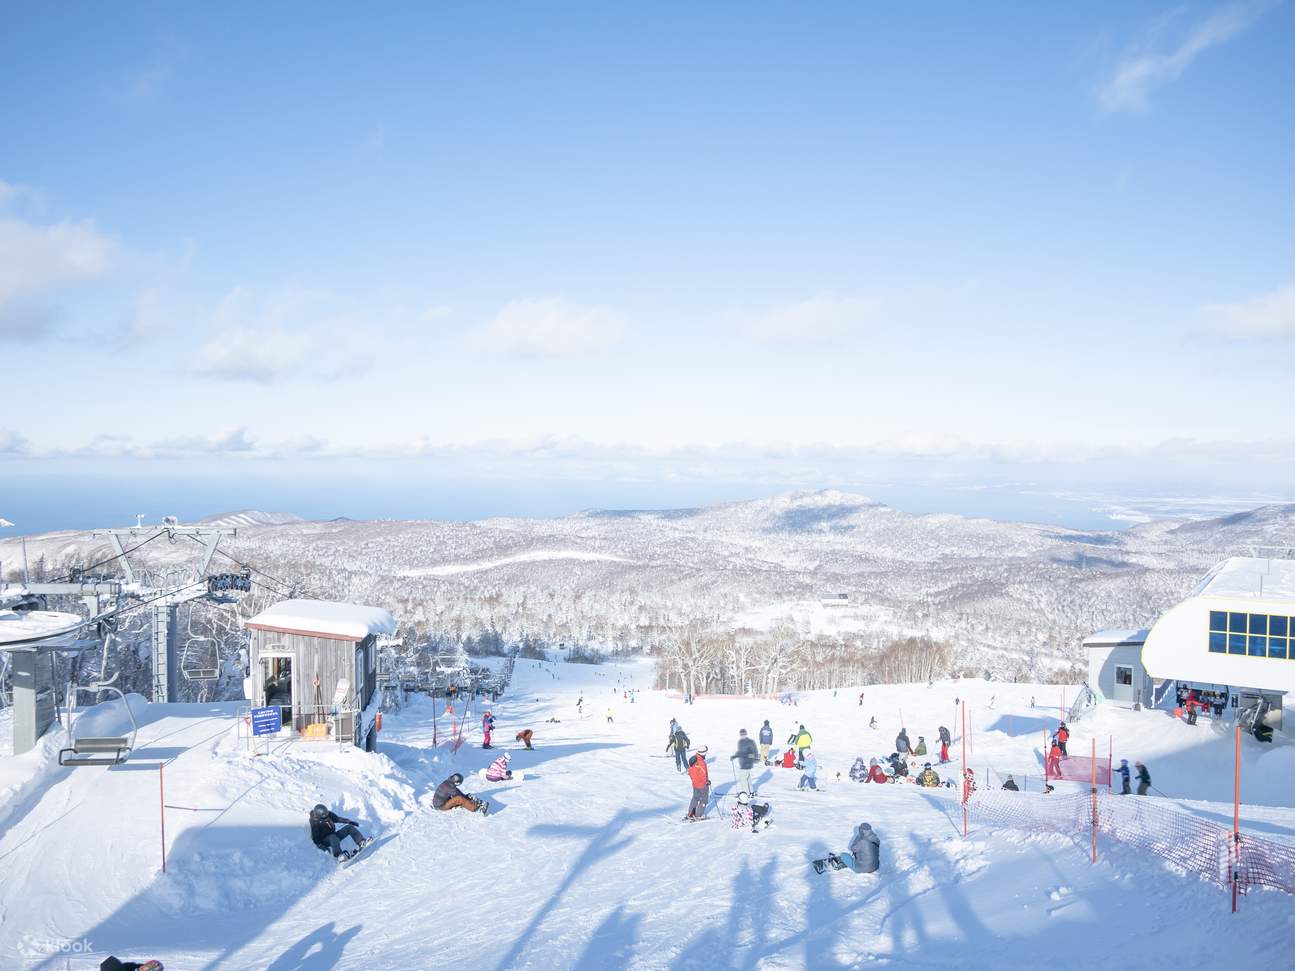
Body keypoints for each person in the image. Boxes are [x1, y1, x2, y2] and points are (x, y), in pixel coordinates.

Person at [731, 728, 759, 796]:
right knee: (747, 778)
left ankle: (746, 793)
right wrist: (735, 756)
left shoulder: (750, 742)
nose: (743, 736)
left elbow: (755, 752)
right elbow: (740, 752)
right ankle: (751, 791)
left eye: (744, 734)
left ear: (746, 734)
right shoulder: (740, 742)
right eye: (741, 734)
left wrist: (753, 758)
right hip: (742, 763)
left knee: (743, 778)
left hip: (748, 762)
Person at [686, 747, 711, 820]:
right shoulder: (701, 762)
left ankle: (691, 814)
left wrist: (694, 780)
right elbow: (703, 775)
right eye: (706, 752)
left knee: (695, 798)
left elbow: (689, 771)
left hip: (695, 784)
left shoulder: (693, 759)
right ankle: (698, 815)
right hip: (702, 785)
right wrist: (706, 782)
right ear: (704, 753)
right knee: (704, 800)